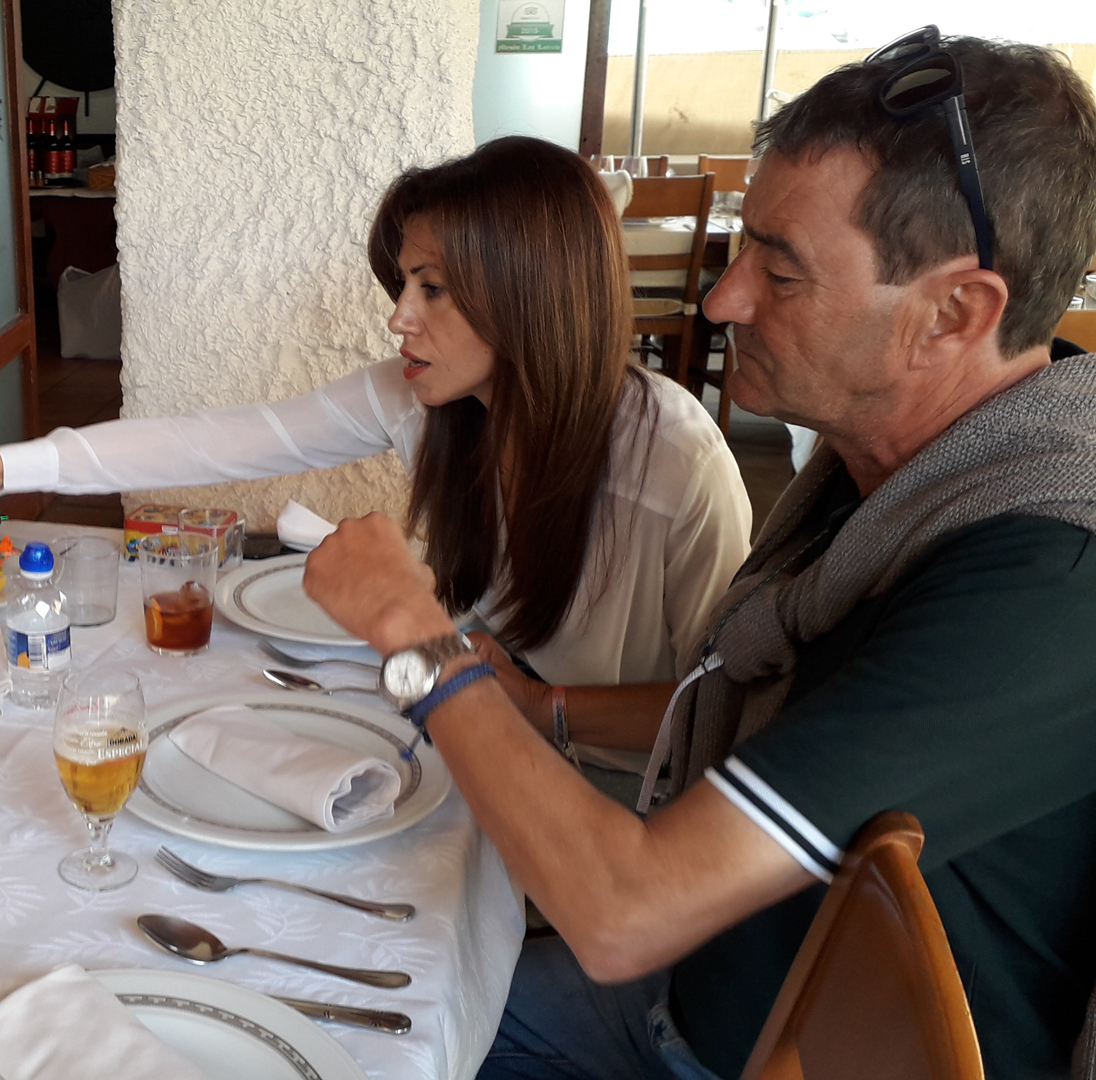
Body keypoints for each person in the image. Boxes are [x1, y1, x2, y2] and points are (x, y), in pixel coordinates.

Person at [300, 33, 1096, 1078]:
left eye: (780, 269)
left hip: (737, 1048)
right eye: (740, 249)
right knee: (333, 1002)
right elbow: (737, 707)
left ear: (954, 313)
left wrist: (415, 639)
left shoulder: (1043, 584)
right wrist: (537, 707)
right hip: (694, 992)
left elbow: (623, 911)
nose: (722, 300)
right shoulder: (903, 475)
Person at [0, 137, 752, 767]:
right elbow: (204, 443)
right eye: (403, 284)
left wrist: (538, 709)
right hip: (468, 736)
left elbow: (725, 711)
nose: (398, 318)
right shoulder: (423, 403)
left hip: (606, 796)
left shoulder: (673, 461)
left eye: (432, 289)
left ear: (531, 292)